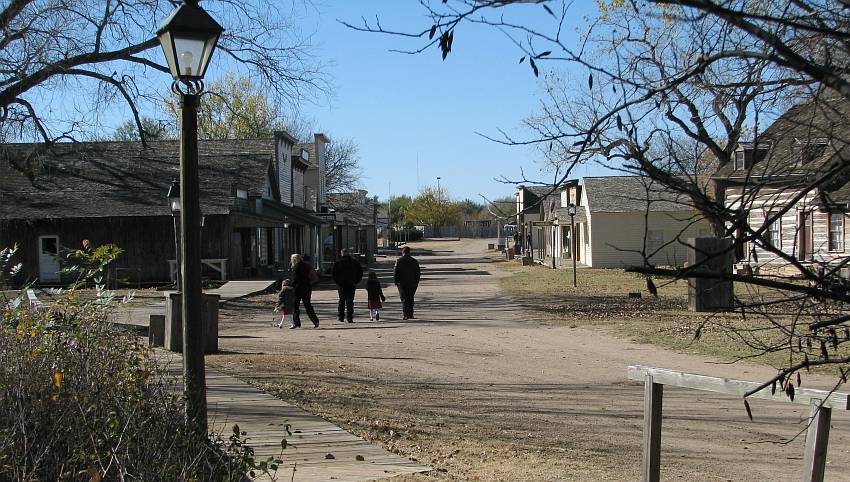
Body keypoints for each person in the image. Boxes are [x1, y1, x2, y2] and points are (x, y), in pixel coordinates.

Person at [332, 248, 363, 323]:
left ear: (341, 253)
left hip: (341, 285)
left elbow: (334, 274)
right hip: (351, 284)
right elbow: (360, 272)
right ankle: (349, 317)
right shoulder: (354, 262)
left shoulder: (338, 263)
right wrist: (356, 281)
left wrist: (338, 282)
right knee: (350, 301)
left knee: (341, 300)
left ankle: (341, 317)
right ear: (348, 253)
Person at [289, 253, 319, 329]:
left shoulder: (296, 267)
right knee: (308, 305)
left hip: (298, 288)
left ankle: (296, 322)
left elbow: (295, 279)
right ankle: (315, 321)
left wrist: (291, 285)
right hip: (307, 287)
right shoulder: (307, 266)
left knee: (295, 306)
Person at [393, 246, 421, 320]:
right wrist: (416, 281)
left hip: (402, 283)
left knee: (404, 299)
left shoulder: (398, 261)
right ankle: (410, 314)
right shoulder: (414, 261)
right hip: (412, 283)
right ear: (409, 252)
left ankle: (405, 314)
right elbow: (418, 273)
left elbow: (396, 273)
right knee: (411, 298)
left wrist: (396, 282)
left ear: (403, 252)